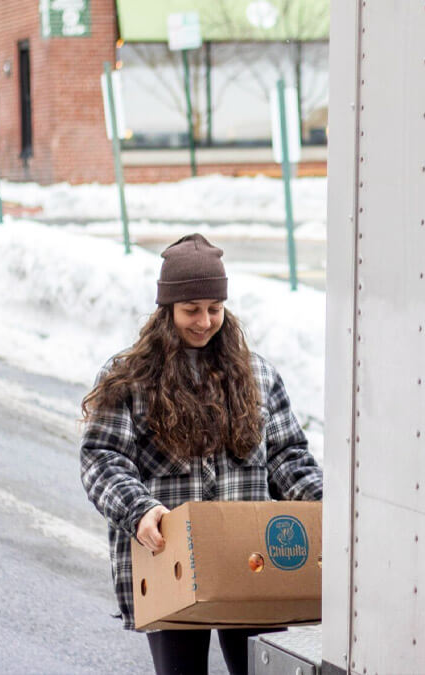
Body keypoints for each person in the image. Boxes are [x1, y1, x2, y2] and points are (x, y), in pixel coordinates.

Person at [80, 233, 323, 675]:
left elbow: (288, 457)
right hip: (168, 556)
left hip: (251, 560)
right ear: (167, 309)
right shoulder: (130, 379)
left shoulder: (258, 375)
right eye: (191, 309)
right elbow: (102, 459)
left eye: (215, 308)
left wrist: (325, 503)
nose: (204, 321)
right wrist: (139, 511)